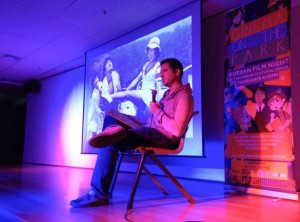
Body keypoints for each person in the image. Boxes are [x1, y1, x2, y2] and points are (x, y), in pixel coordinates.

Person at [70, 58, 194, 208]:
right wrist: (133, 119)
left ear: (177, 72)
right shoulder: (166, 95)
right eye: (160, 72)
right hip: (150, 131)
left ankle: (99, 193)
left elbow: (177, 129)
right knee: (111, 119)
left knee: (112, 139)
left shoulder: (185, 96)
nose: (161, 75)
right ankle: (115, 131)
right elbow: (153, 120)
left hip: (165, 138)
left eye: (165, 71)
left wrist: (157, 112)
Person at [105, 37, 161, 117]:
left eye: (152, 50)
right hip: (142, 92)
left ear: (157, 52)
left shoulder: (158, 66)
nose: (150, 53)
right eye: (149, 51)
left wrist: (157, 105)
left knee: (127, 95)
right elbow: (136, 80)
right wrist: (127, 89)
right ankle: (110, 102)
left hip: (149, 95)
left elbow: (158, 88)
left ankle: (108, 97)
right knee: (127, 95)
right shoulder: (145, 65)